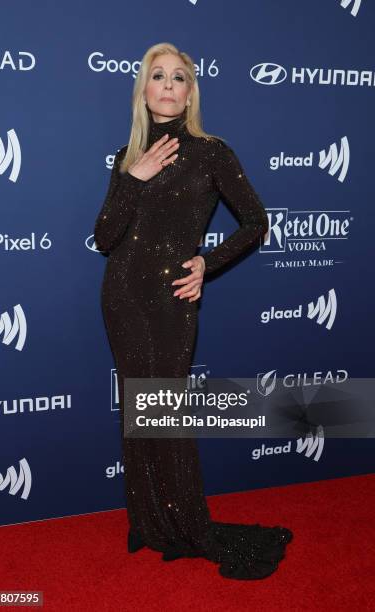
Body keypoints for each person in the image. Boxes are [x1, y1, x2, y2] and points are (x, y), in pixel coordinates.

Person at [94, 42, 293, 580]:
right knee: (141, 409)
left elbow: (255, 221)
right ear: (143, 90)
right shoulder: (126, 155)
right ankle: (151, 522)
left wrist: (207, 263)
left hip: (174, 295)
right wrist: (130, 179)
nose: (167, 85)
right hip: (123, 295)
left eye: (178, 77)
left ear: (189, 92)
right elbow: (105, 236)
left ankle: (191, 525)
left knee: (167, 409)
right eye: (157, 76)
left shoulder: (212, 152)